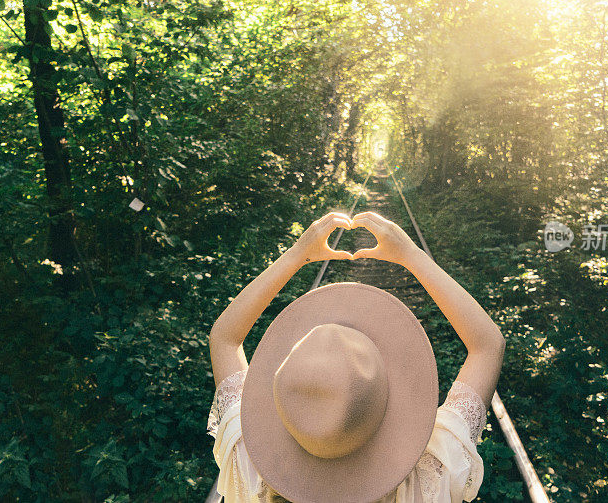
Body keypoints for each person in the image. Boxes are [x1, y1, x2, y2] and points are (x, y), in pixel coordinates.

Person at [207, 211, 506, 503]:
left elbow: (224, 339)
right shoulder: (430, 478)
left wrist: (297, 255)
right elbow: (487, 346)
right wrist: (410, 255)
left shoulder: (249, 468)